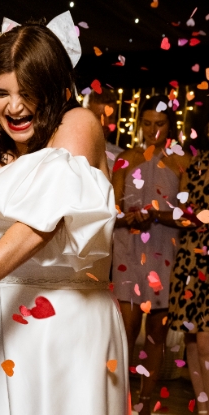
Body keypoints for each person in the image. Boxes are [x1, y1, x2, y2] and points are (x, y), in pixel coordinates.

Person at [0, 14, 129, 414]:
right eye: (0, 93)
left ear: (55, 88)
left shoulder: (78, 124)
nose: (14, 107)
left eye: (28, 92)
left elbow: (39, 225)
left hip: (67, 323)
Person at [111, 95, 191, 415]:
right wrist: (127, 216)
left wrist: (157, 214)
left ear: (171, 126)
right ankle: (119, 402)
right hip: (129, 249)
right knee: (127, 329)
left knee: (157, 332)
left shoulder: (181, 162)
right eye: (146, 123)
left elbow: (189, 215)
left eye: (159, 124)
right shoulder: (126, 159)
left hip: (165, 249)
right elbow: (110, 209)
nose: (152, 130)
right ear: (139, 124)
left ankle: (145, 405)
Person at [168, 131, 209, 415]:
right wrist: (186, 215)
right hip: (191, 255)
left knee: (205, 342)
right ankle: (203, 407)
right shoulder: (195, 162)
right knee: (191, 338)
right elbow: (182, 209)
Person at [83, 89, 123, 175]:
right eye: (99, 117)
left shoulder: (120, 156)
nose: (106, 123)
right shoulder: (72, 152)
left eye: (111, 117)